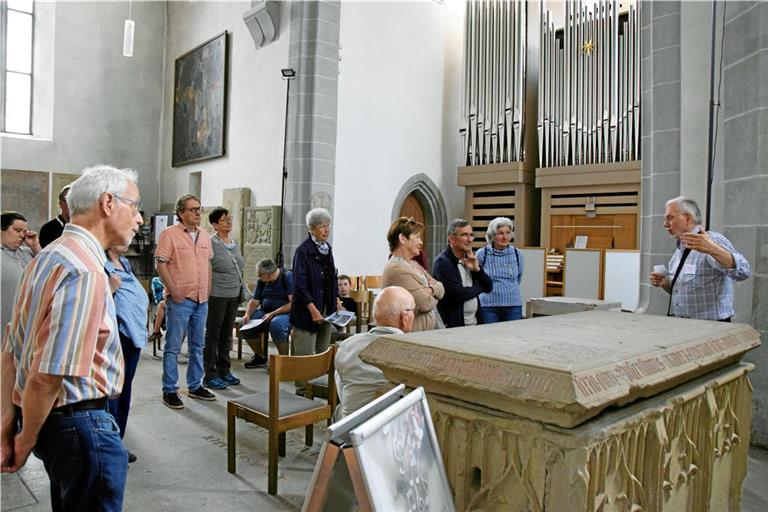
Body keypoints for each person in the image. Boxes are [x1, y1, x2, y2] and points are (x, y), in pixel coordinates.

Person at [1, 165, 143, 510]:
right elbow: (47, 374)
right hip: (81, 424)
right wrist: (25, 439)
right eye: (135, 207)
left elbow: (11, 348)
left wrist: (7, 423)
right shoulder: (85, 270)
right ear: (108, 203)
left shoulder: (47, 256)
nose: (139, 219)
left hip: (60, 425)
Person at [155, 194, 215, 410]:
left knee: (198, 345)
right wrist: (174, 290)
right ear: (181, 213)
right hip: (181, 300)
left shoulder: (205, 235)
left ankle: (195, 385)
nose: (198, 213)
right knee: (172, 346)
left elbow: (208, 264)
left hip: (202, 299)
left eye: (199, 209)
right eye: (192, 209)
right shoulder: (169, 235)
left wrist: (207, 289)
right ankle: (170, 389)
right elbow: (161, 265)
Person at [650, 196, 751, 321]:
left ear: (686, 219)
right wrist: (665, 283)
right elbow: (679, 292)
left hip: (712, 328)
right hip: (686, 326)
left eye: (670, 218)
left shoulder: (712, 240)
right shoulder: (679, 251)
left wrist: (713, 249)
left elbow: (745, 272)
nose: (665, 224)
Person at [335, 286, 416, 418]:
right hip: (389, 430)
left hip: (348, 430)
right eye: (414, 310)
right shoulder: (414, 352)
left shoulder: (347, 346)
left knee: (340, 409)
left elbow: (343, 389)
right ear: (405, 318)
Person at [105, 244, 148, 464]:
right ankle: (110, 445)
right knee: (112, 392)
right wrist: (110, 289)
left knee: (125, 390)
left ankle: (118, 440)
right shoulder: (99, 263)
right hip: (117, 334)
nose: (129, 239)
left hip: (133, 334)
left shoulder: (125, 263)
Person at [290, 208, 339, 388]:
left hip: (325, 308)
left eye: (328, 226)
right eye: (322, 226)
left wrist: (336, 301)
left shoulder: (327, 249)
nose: (326, 230)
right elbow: (299, 285)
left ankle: (318, 388)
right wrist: (313, 309)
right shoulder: (303, 251)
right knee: (304, 355)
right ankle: (302, 390)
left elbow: (332, 278)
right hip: (306, 311)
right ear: (311, 228)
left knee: (322, 353)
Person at [203, 208, 243, 390]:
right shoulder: (211, 243)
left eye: (230, 218)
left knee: (227, 334)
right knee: (213, 334)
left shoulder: (234, 243)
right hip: (216, 295)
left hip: (233, 295)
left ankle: (224, 370)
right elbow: (205, 268)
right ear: (215, 224)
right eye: (224, 219)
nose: (229, 222)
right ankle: (210, 374)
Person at [382, 217, 445, 331]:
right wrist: (433, 291)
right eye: (417, 237)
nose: (421, 242)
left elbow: (442, 288)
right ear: (402, 238)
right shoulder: (397, 269)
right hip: (411, 337)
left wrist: (429, 290)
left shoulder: (415, 264)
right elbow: (424, 304)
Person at [432, 218, 493, 328]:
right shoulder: (443, 262)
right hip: (455, 325)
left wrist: (477, 269)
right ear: (451, 239)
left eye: (471, 235)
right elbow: (457, 294)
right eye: (465, 235)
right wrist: (479, 288)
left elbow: (489, 286)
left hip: (474, 323)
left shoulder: (469, 259)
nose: (470, 240)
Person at [241, 258, 293, 367]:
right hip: (265, 311)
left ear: (269, 274)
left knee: (276, 324)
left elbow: (293, 303)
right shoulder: (262, 281)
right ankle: (260, 356)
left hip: (285, 313)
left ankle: (283, 362)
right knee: (245, 324)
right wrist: (247, 314)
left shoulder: (287, 277)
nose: (258, 277)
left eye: (260, 274)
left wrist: (273, 313)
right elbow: (255, 300)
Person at [476, 217, 525, 323]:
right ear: (492, 235)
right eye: (500, 233)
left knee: (512, 338)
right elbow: (477, 278)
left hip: (513, 306)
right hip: (488, 306)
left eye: (508, 233)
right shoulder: (482, 254)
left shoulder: (517, 254)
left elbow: (518, 277)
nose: (505, 237)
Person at [1, 212, 41, 331]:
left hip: (27, 323)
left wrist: (35, 246)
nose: (22, 236)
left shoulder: (28, 252)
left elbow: (50, 269)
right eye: (17, 230)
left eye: (24, 232)